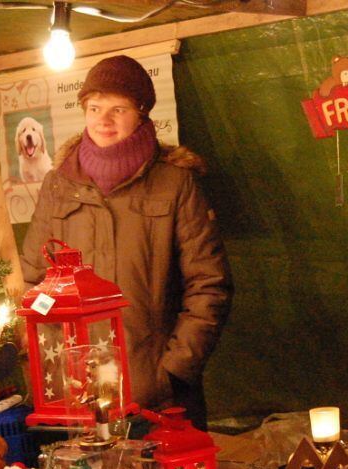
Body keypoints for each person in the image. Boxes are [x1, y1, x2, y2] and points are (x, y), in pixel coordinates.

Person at [21, 55, 232, 430]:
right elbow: (35, 281)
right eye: (95, 107)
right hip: (80, 397)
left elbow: (209, 285)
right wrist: (53, 368)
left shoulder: (175, 184)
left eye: (118, 109)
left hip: (159, 399)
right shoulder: (58, 185)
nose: (104, 119)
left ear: (141, 114)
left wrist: (173, 371)